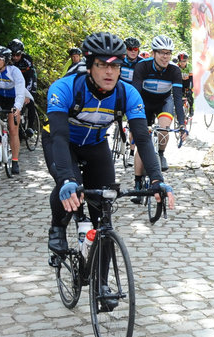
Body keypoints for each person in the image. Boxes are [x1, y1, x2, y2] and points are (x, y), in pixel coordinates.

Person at [44, 32, 175, 256]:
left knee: (103, 219)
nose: (109, 72)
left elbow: (142, 139)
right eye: (102, 65)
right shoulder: (64, 88)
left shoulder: (128, 93)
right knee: (68, 184)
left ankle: (102, 284)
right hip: (62, 143)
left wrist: (157, 179)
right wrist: (66, 178)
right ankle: (57, 227)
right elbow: (59, 137)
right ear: (89, 66)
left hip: (96, 144)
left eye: (115, 67)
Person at [131, 34, 188, 177]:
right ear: (153, 53)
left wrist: (181, 124)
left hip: (164, 102)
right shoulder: (142, 66)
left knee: (163, 130)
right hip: (144, 102)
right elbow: (135, 95)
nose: (165, 57)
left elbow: (176, 99)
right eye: (162, 53)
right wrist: (133, 122)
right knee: (142, 144)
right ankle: (138, 183)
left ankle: (161, 154)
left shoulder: (174, 70)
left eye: (168, 53)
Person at [0, 45, 32, 174]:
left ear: (6, 60)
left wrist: (17, 108)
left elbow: (20, 94)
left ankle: (15, 160)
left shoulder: (14, 72)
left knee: (13, 128)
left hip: (13, 97)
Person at [8, 39, 38, 136]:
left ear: (22, 53)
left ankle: (30, 127)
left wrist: (27, 95)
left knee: (30, 102)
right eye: (13, 55)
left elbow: (30, 77)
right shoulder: (7, 60)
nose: (15, 57)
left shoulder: (26, 60)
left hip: (28, 80)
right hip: (15, 82)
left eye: (18, 55)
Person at [176, 52, 193, 116]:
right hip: (181, 82)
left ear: (187, 61)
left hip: (188, 81)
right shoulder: (177, 67)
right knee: (180, 95)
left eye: (184, 61)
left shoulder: (189, 66)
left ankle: (191, 108)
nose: (182, 63)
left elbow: (191, 78)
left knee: (189, 95)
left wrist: (190, 88)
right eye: (180, 61)